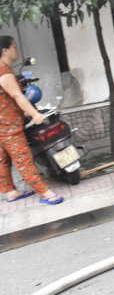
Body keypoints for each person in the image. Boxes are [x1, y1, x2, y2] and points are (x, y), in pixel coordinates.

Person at [0, 36, 63, 205]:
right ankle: (45, 193)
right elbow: (16, 95)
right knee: (24, 160)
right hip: (8, 127)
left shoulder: (4, 69)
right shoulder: (3, 72)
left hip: (3, 125)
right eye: (13, 47)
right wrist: (34, 114)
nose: (16, 50)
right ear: (5, 51)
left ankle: (11, 192)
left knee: (3, 159)